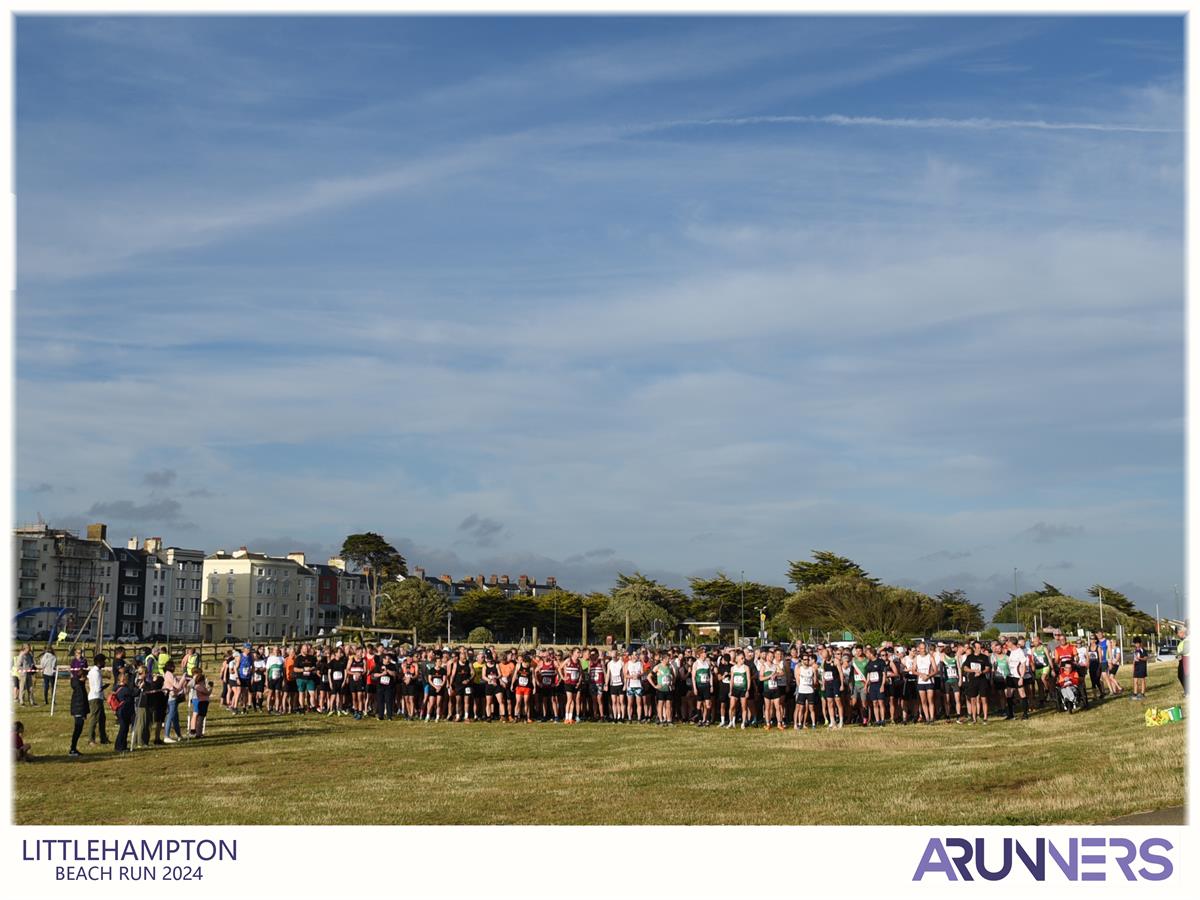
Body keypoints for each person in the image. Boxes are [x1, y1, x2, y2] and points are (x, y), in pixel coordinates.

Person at [86, 653, 109, 745]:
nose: (105, 663)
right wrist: (105, 686)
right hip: (95, 698)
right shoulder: (96, 673)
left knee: (102, 718)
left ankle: (103, 738)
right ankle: (91, 739)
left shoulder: (94, 671)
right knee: (94, 718)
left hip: (98, 697)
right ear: (100, 662)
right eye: (104, 661)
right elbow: (97, 688)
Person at [163, 661, 188, 742]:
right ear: (170, 667)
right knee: (170, 717)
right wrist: (183, 679)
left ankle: (179, 735)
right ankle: (166, 736)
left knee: (175, 718)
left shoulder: (168, 674)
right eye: (173, 666)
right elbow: (177, 686)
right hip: (172, 698)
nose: (174, 668)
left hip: (173, 697)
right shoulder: (169, 674)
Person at [68, 667, 89, 756]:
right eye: (85, 677)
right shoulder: (80, 687)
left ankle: (73, 748)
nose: (86, 679)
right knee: (77, 730)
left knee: (78, 730)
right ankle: (72, 749)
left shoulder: (78, 684)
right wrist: (83, 713)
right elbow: (82, 701)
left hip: (77, 710)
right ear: (82, 677)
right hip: (79, 710)